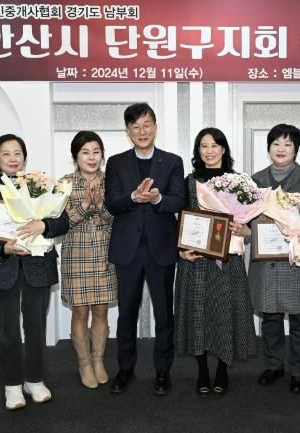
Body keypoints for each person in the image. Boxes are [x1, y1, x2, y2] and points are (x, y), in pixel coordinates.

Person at [0, 134, 69, 410]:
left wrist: (44, 225)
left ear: (24, 157)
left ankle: (35, 380)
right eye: (6, 154)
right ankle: (12, 385)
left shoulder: (42, 186)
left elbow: (63, 221)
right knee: (7, 329)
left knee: (36, 327)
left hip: (37, 266)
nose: (13, 159)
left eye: (18, 153)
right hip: (3, 268)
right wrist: (3, 248)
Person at [104, 103, 184, 395]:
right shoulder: (116, 163)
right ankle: (125, 369)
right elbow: (111, 203)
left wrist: (157, 199)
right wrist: (133, 198)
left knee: (164, 314)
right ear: (128, 131)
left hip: (161, 248)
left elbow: (179, 200)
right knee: (126, 313)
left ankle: (163, 371)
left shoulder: (172, 161)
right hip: (128, 250)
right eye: (135, 126)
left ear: (155, 127)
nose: (142, 131)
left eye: (146, 125)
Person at [175, 127, 257, 398]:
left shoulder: (239, 182)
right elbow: (179, 220)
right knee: (198, 313)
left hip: (228, 259)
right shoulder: (189, 181)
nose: (209, 151)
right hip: (196, 259)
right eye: (203, 146)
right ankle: (202, 370)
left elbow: (250, 222)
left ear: (223, 149)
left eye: (214, 145)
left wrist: (246, 230)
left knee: (225, 311)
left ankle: (222, 369)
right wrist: (181, 250)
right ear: (198, 151)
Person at [248, 124, 300, 394]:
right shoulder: (255, 181)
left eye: (288, 144)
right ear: (268, 148)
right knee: (269, 317)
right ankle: (273, 366)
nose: (281, 149)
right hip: (267, 261)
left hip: (298, 259)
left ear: (296, 149)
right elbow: (244, 220)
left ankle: (299, 371)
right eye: (276, 144)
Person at [61, 131, 117, 389]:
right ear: (76, 156)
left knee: (101, 310)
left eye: (96, 152)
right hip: (76, 253)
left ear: (102, 155)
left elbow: (118, 218)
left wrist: (100, 205)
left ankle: (98, 360)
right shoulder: (64, 183)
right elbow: (60, 223)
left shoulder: (112, 182)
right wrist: (84, 204)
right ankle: (84, 364)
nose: (91, 157)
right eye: (85, 152)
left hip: (105, 252)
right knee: (81, 311)